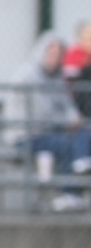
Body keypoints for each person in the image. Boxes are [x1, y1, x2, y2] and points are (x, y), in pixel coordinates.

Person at [10, 31, 91, 211]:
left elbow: (67, 105)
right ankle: (67, 192)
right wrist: (67, 121)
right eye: (51, 53)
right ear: (42, 52)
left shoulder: (56, 77)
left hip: (52, 130)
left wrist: (73, 118)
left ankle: (80, 167)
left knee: (83, 133)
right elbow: (42, 112)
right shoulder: (29, 75)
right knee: (67, 144)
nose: (55, 58)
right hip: (27, 134)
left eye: (59, 54)